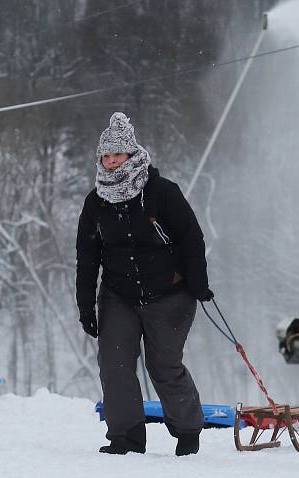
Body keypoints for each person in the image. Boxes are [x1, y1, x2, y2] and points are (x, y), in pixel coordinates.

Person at [75, 112, 213, 456]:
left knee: (163, 364)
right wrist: (86, 306)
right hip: (119, 294)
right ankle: (126, 436)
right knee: (114, 364)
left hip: (169, 293)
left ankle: (187, 431)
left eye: (116, 155)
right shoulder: (96, 203)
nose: (110, 162)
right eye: (105, 157)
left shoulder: (161, 192)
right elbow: (87, 258)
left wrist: (198, 282)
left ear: (131, 155)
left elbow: (191, 237)